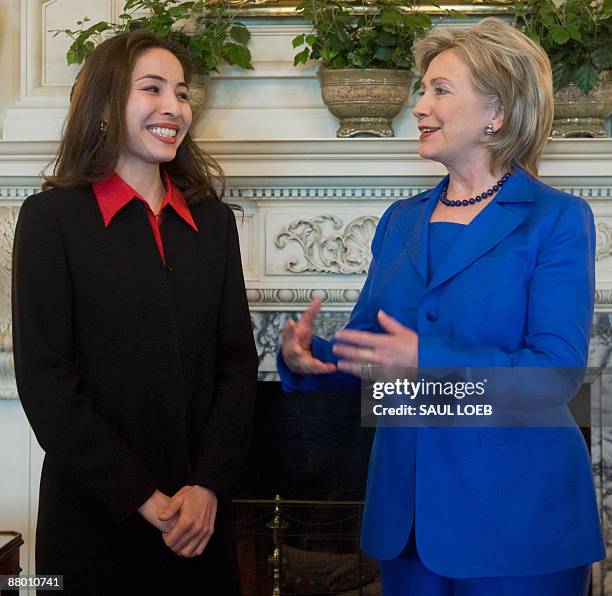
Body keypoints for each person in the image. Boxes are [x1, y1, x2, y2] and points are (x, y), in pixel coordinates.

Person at [279, 17, 605, 596]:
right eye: (421, 89)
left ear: (496, 112)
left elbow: (555, 374)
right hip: (406, 520)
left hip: (519, 519)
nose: (420, 106)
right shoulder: (400, 221)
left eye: (440, 90)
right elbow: (371, 350)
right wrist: (313, 359)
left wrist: (426, 358)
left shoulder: (556, 219)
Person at [11, 30, 257, 595]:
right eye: (152, 89)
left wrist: (208, 488)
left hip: (201, 522)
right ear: (104, 104)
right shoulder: (51, 219)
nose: (174, 107)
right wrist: (144, 499)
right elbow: (46, 383)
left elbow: (238, 368)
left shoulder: (214, 225)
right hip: (95, 520)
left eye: (182, 92)